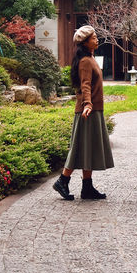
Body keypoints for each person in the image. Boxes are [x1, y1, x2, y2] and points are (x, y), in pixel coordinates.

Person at [53, 24, 114, 200]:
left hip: (94, 110)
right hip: (87, 111)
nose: (97, 39)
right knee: (80, 147)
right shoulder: (85, 62)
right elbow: (84, 85)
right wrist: (88, 104)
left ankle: (87, 187)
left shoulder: (90, 58)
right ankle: (62, 181)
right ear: (85, 42)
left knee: (89, 148)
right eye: (93, 37)